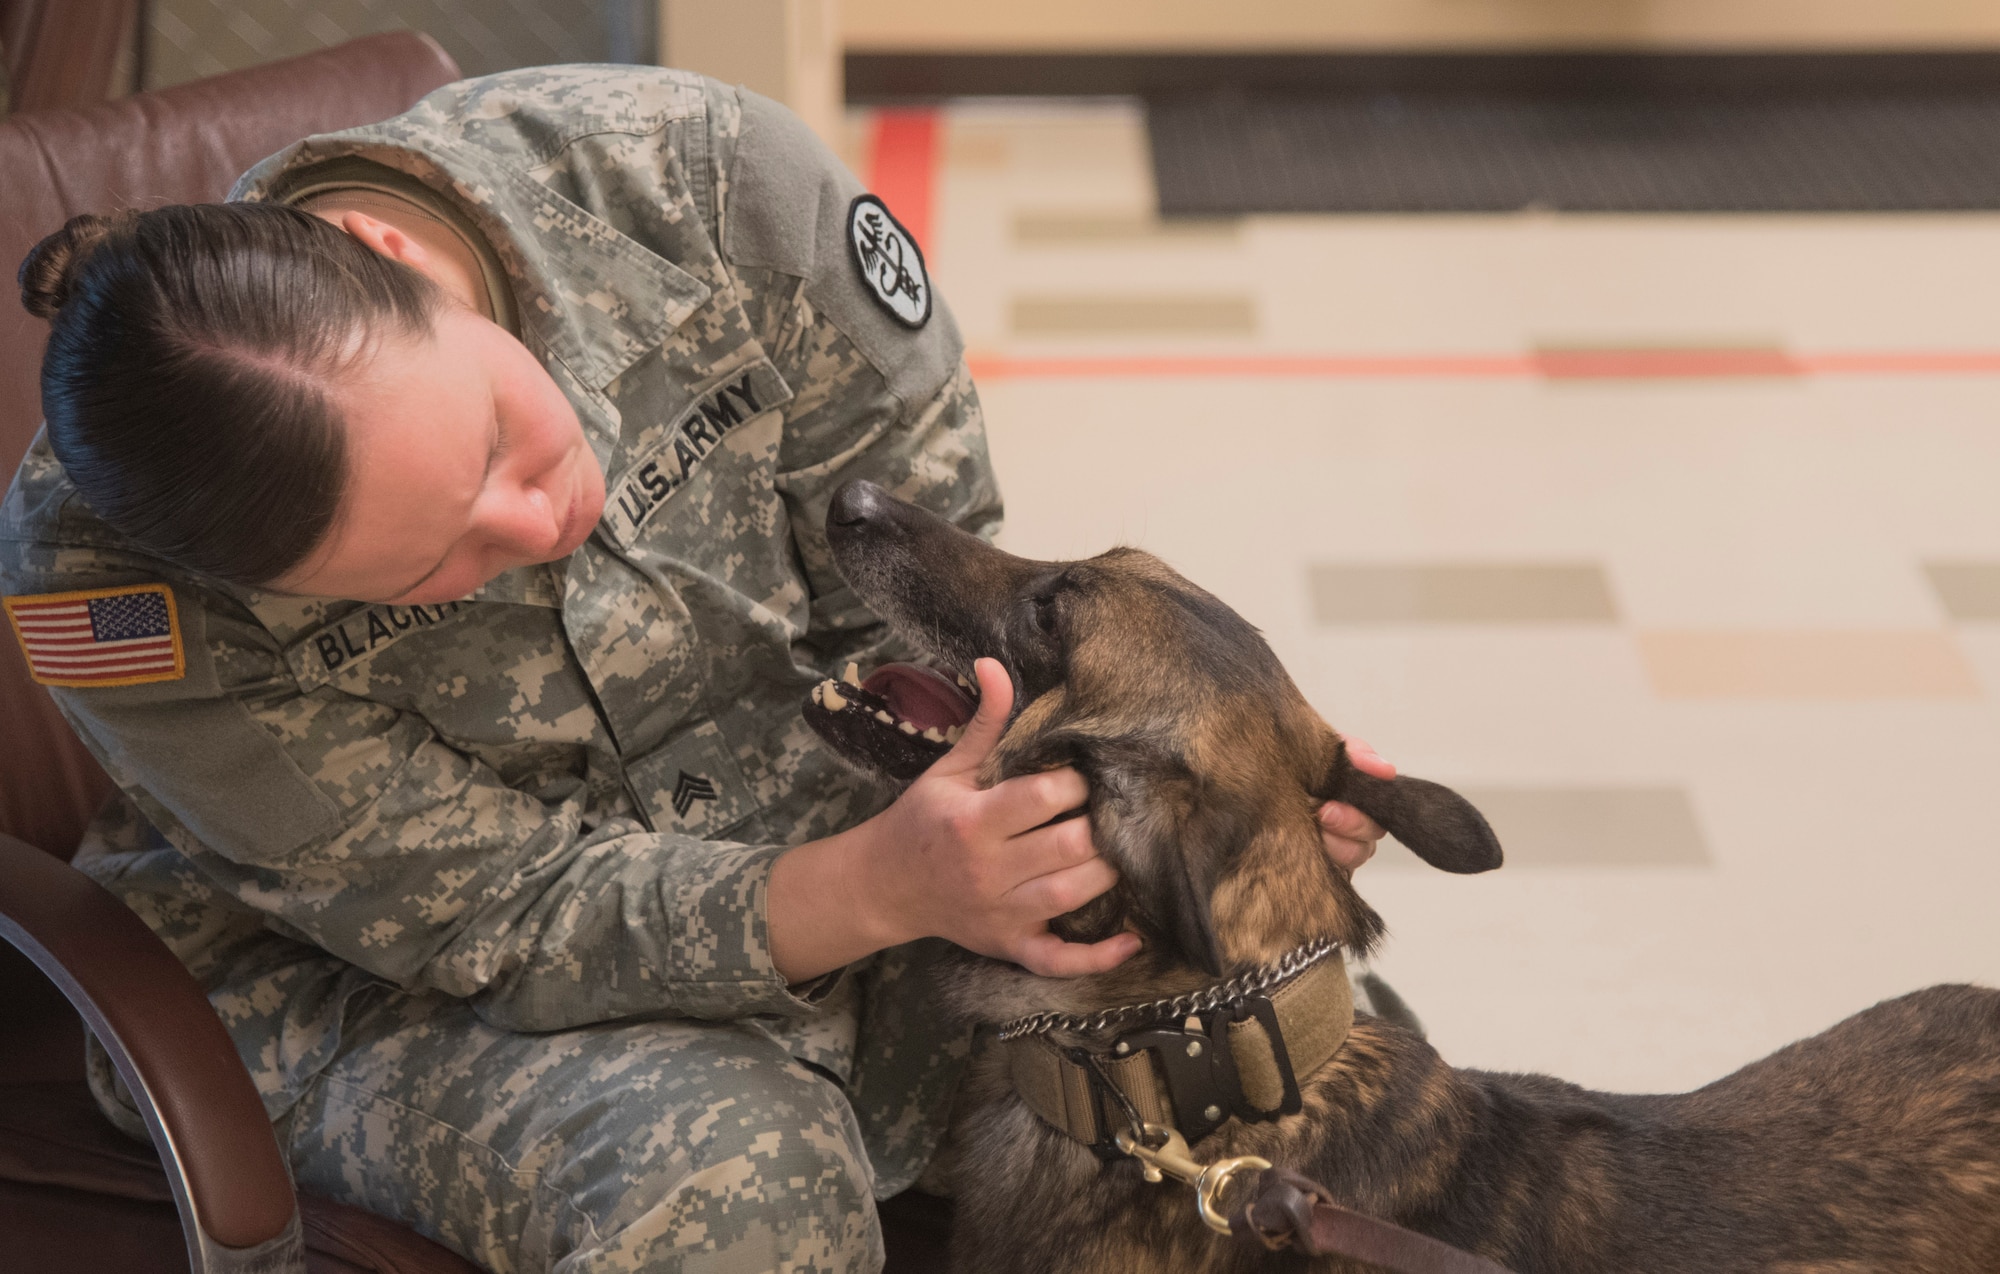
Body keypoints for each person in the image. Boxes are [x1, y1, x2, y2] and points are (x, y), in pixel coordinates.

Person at [1, 66, 1392, 1273]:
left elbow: (945, 617)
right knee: (739, 1189)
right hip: (385, 977)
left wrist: (1226, 823)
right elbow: (495, 915)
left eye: (497, 443)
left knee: (1263, 1041)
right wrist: (880, 888)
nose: (539, 523)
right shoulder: (106, 586)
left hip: (838, 819)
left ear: (394, 253)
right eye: (429, 570)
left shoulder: (714, 192)